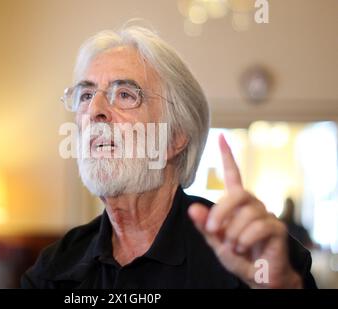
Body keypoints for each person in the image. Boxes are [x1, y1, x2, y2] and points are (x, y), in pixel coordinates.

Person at [21, 25, 316, 288]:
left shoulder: (253, 259)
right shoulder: (53, 268)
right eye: (86, 96)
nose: (94, 110)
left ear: (175, 138)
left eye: (124, 94)